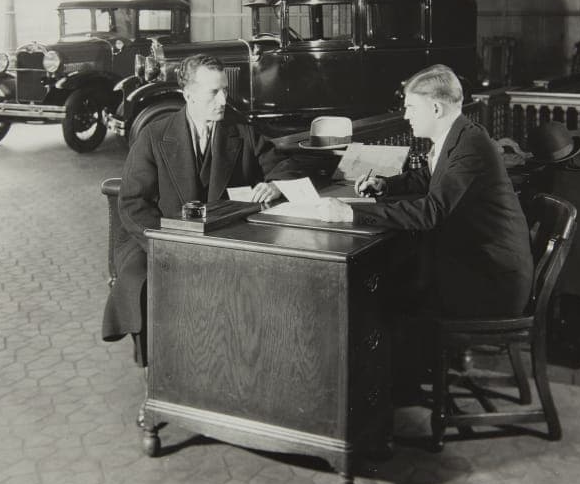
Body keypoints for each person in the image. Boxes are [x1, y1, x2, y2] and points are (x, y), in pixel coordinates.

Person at [101, 54, 295, 364]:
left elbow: (284, 167)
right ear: (188, 95)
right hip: (160, 238)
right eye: (213, 92)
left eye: (225, 90)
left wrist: (276, 186)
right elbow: (133, 204)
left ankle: (228, 362)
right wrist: (168, 244)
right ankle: (158, 367)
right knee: (144, 282)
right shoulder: (154, 136)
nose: (223, 100)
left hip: (221, 238)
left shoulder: (240, 131)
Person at [314, 64, 533, 320]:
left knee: (387, 300)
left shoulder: (470, 146)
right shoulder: (461, 135)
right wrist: (386, 185)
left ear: (436, 109)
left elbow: (432, 212)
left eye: (411, 107)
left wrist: (350, 213)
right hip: (479, 262)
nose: (406, 116)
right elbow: (431, 175)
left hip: (491, 282)